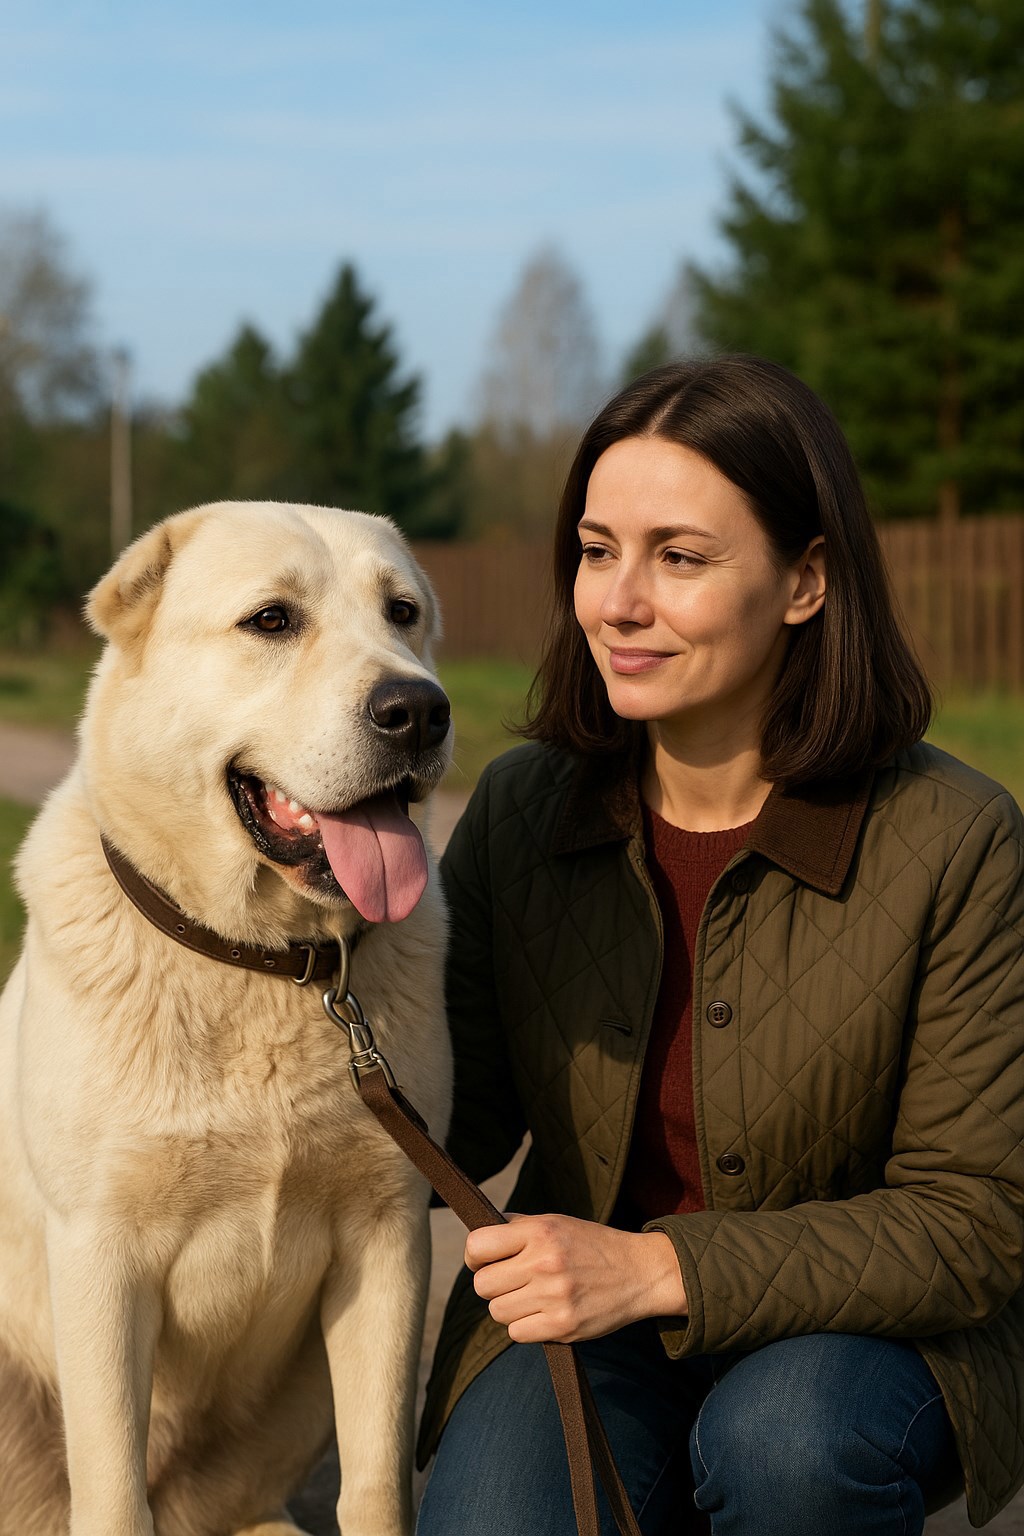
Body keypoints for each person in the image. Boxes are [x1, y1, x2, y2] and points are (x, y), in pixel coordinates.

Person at [414, 357, 1024, 1536]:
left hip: (864, 1345)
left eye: (678, 558)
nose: (618, 602)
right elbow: (458, 1116)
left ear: (806, 580)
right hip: (593, 1335)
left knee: (784, 1449)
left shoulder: (956, 839)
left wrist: (654, 1270)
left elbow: (974, 1219)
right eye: (597, 551)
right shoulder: (521, 810)